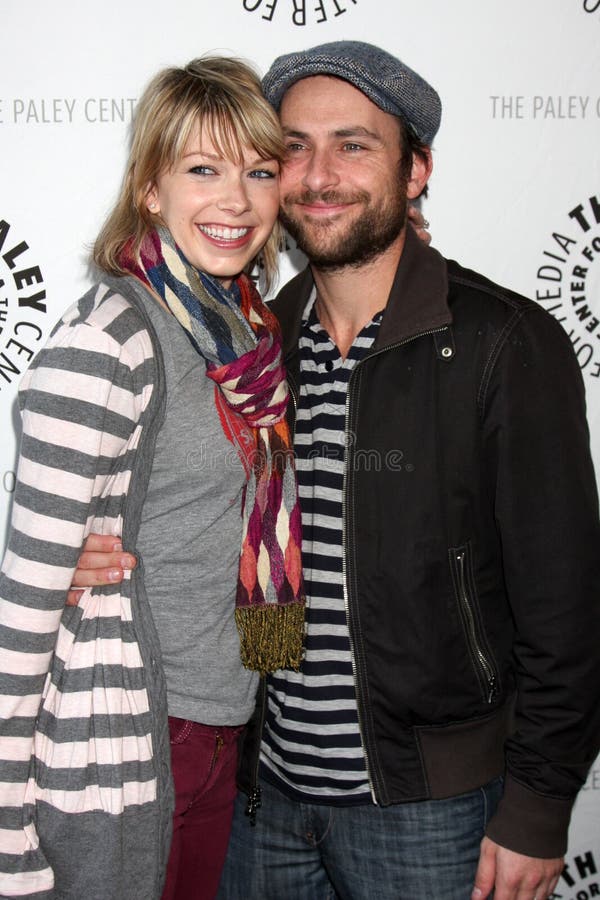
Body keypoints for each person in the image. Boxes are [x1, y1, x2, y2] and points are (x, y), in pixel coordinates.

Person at [70, 41, 600, 900]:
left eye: (353, 145)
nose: (318, 175)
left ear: (416, 168)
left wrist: (540, 805)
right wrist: (87, 561)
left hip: (431, 811)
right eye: (293, 150)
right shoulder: (251, 345)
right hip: (260, 800)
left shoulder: (502, 344)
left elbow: (568, 602)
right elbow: (192, 523)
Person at [0, 56, 305, 900]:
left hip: (222, 724)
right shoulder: (110, 338)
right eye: (202, 169)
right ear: (151, 190)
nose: (235, 199)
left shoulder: (247, 336)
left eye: (258, 170)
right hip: (128, 733)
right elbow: (24, 604)